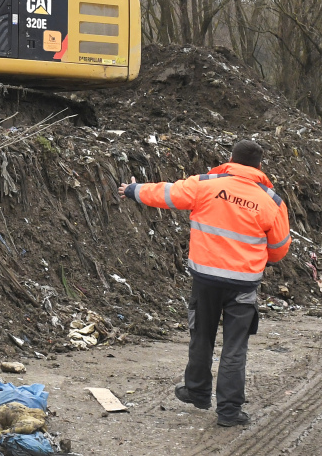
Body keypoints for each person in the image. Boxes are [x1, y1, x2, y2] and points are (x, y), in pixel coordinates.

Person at [117, 139, 290, 427]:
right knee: (235, 348)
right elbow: (280, 248)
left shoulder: (206, 184)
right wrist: (263, 259)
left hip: (206, 280)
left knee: (202, 336)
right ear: (259, 167)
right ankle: (229, 412)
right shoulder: (271, 201)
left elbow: (167, 193)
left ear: (230, 159)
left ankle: (197, 391)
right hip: (243, 285)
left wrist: (133, 190)